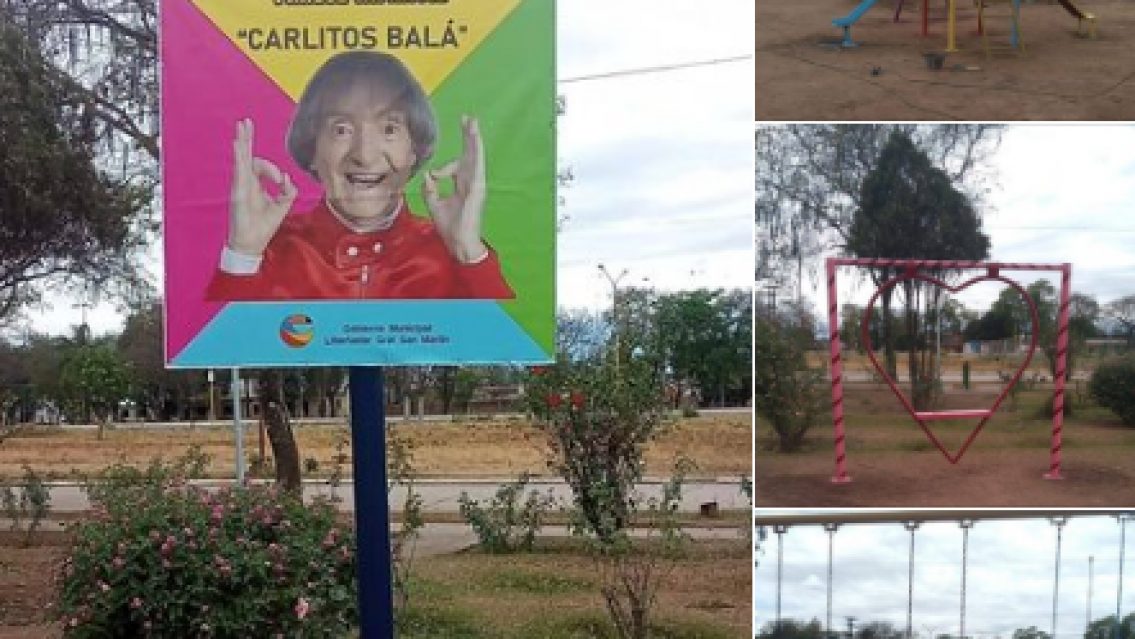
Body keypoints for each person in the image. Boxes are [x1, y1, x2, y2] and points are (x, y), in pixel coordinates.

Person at [205, 51, 514, 301]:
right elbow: (216, 350)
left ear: (414, 151)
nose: (364, 155)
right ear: (312, 149)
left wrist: (468, 252)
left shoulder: (450, 253)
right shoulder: (269, 250)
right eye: (341, 129)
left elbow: (520, 355)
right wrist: (242, 254)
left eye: (389, 128)